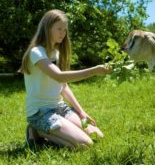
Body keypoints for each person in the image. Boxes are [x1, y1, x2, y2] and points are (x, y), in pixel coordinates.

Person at [19, 9, 111, 148]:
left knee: (97, 136)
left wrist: (81, 112)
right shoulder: (36, 52)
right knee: (85, 144)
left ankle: (51, 131)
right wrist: (94, 71)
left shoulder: (56, 53)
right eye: (59, 29)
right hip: (41, 113)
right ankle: (37, 130)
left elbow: (63, 85)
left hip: (60, 108)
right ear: (47, 28)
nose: (63, 33)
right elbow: (58, 76)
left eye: (65, 30)